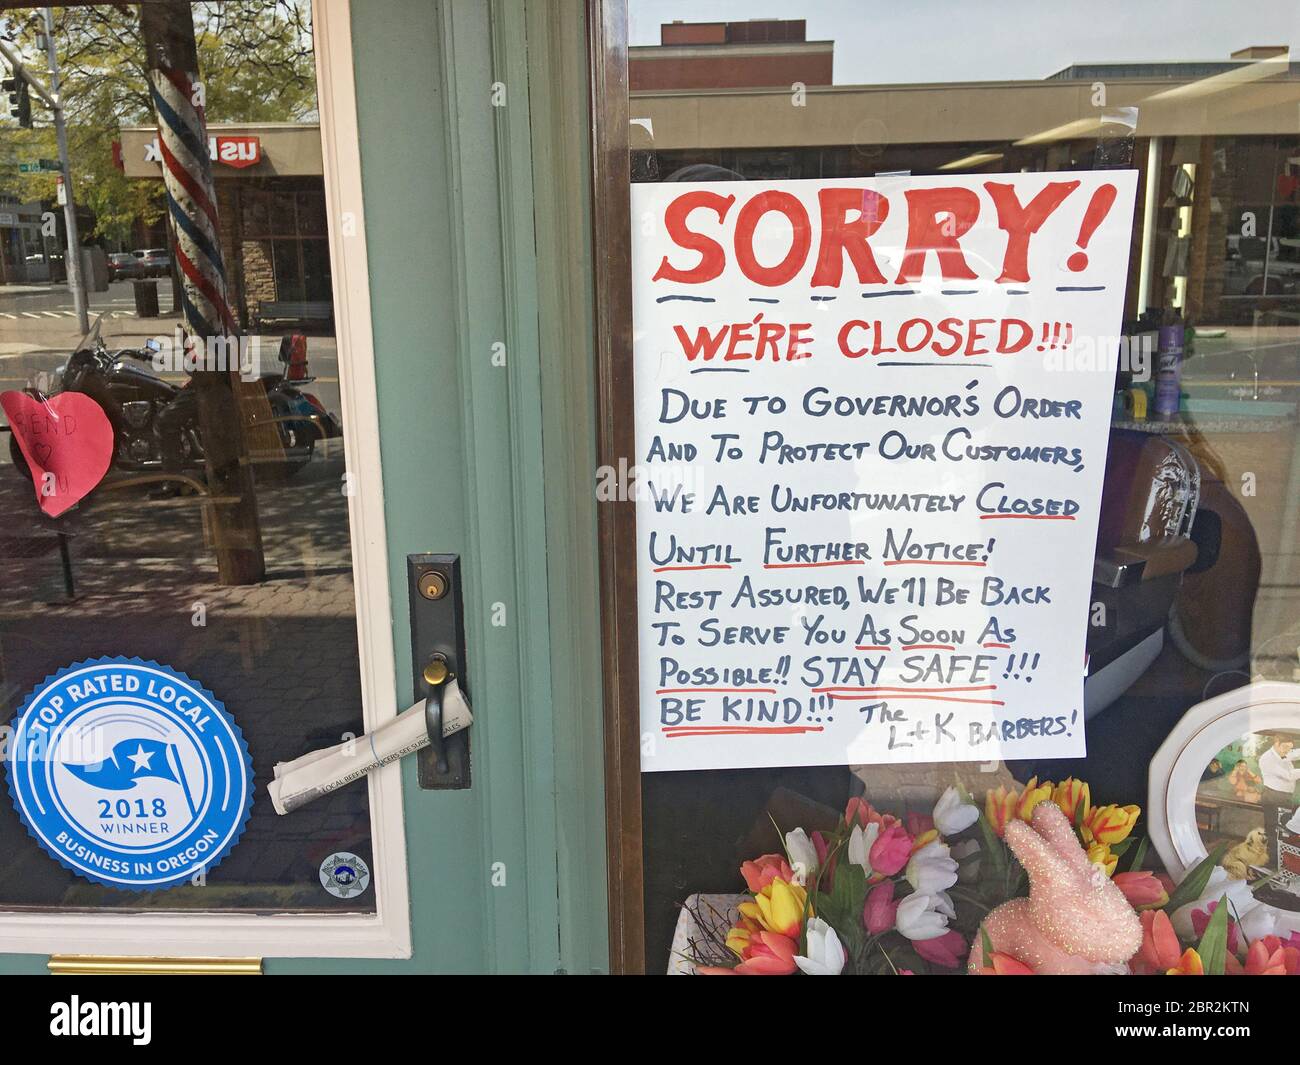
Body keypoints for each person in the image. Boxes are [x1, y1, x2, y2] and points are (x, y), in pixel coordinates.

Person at [1258, 733, 1300, 867]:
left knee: (1285, 830)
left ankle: (1284, 860)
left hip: (1284, 797)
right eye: (1286, 747)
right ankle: (1273, 862)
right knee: (1274, 830)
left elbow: (1295, 753)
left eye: (1290, 748)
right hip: (1273, 796)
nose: (1288, 751)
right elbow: (1288, 776)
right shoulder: (1267, 759)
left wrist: (1290, 751)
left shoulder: (1283, 752)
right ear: (1276, 743)